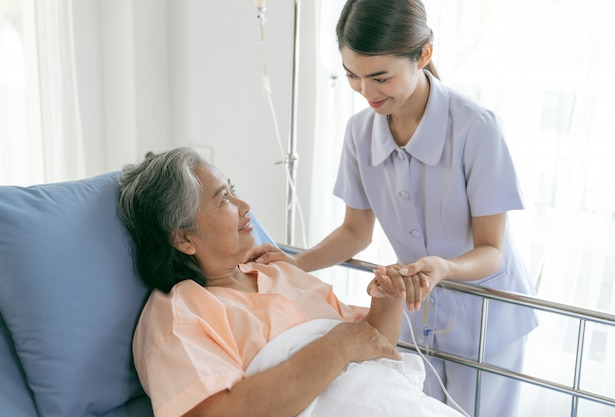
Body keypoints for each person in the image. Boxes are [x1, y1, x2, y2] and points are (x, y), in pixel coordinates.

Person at [246, 1, 539, 416]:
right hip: (419, 317)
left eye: (380, 77)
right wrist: (295, 265)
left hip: (489, 322)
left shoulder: (477, 128)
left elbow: (492, 250)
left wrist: (443, 267)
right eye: (353, 76)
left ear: (424, 55)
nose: (367, 93)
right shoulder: (359, 132)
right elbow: (355, 232)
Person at [117, 147, 466, 417]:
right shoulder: (180, 313)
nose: (244, 205)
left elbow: (373, 351)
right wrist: (336, 346)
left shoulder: (278, 272)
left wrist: (388, 299)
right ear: (183, 239)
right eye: (223, 199)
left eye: (233, 190)